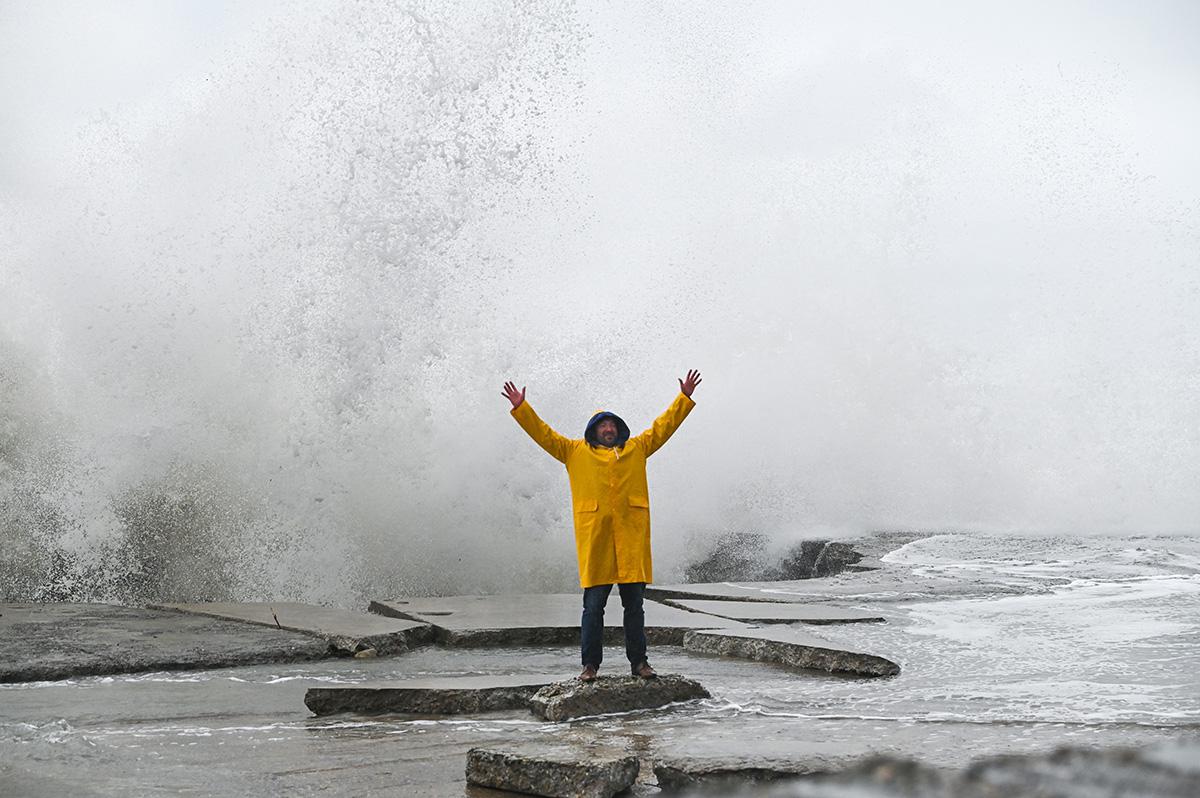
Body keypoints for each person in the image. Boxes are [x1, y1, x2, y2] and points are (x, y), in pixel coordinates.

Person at [502, 370, 702, 681]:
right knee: (593, 609)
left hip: (630, 542)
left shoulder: (637, 449)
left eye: (612, 425)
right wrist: (522, 408)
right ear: (593, 431)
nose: (608, 429)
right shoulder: (574, 452)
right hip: (596, 543)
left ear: (619, 429)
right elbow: (544, 434)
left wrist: (683, 398)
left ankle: (640, 664)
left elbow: (663, 428)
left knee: (634, 609)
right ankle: (589, 667)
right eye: (602, 425)